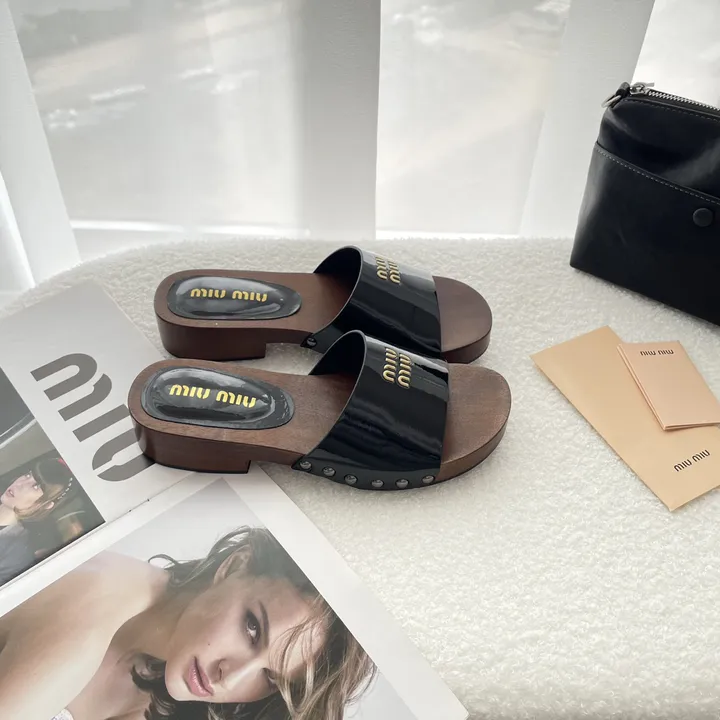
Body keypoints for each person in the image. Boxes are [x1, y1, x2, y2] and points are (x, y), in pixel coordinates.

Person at [0, 526, 375, 720]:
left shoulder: (151, 675)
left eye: (270, 678)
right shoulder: (97, 604)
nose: (231, 678)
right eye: (252, 629)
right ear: (234, 566)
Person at [0, 457, 76, 585]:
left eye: (36, 486)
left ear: (46, 504)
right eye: (28, 475)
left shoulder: (17, 552)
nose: (20, 484)